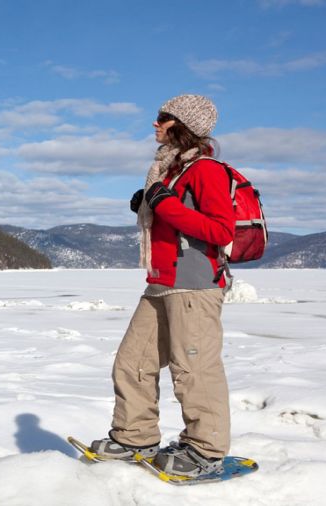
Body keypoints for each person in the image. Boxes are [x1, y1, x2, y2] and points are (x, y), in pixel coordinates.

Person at [90, 94, 235, 477]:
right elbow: (172, 213)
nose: (155, 125)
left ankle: (206, 450)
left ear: (183, 125)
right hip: (160, 283)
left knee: (194, 371)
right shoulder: (169, 171)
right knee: (133, 362)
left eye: (162, 118)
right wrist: (151, 202)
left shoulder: (207, 170)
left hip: (194, 287)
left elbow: (221, 230)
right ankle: (135, 436)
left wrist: (163, 202)